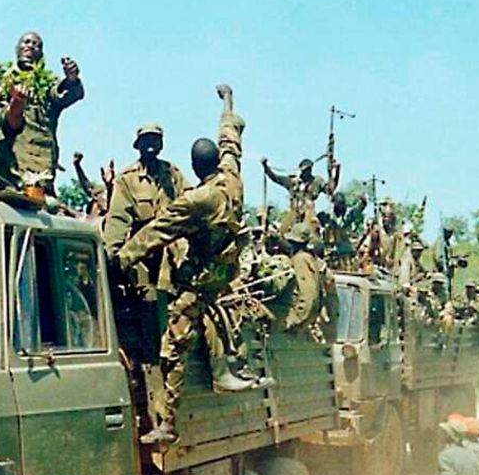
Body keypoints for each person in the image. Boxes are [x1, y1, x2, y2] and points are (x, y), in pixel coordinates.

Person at [116, 85, 258, 444]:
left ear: (194, 167)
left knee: (172, 346)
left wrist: (120, 258)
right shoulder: (232, 178)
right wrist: (227, 103)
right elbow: (230, 141)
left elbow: (157, 231)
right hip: (226, 273)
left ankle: (167, 423)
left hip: (200, 278)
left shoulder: (197, 199)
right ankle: (229, 367)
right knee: (212, 314)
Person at [0, 32, 84, 189]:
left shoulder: (47, 84)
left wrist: (72, 79)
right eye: (26, 42)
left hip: (36, 162)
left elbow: (64, 94)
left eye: (36, 45)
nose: (30, 46)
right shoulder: (1, 80)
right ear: (17, 49)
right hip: (3, 161)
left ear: (41, 54)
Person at [104, 123, 190, 297]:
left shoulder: (173, 174)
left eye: (155, 139)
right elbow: (118, 218)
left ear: (161, 144)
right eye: (146, 139)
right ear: (138, 145)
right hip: (142, 249)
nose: (151, 143)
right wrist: (111, 255)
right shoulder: (127, 179)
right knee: (146, 298)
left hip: (171, 250)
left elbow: (190, 202)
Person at [261, 157, 324, 237]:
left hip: (309, 214)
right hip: (293, 213)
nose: (306, 172)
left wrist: (334, 173)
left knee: (313, 233)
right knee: (283, 234)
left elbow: (330, 189)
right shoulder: (293, 182)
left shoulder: (317, 181)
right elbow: (275, 178)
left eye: (308, 170)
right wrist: (266, 167)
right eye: (305, 170)